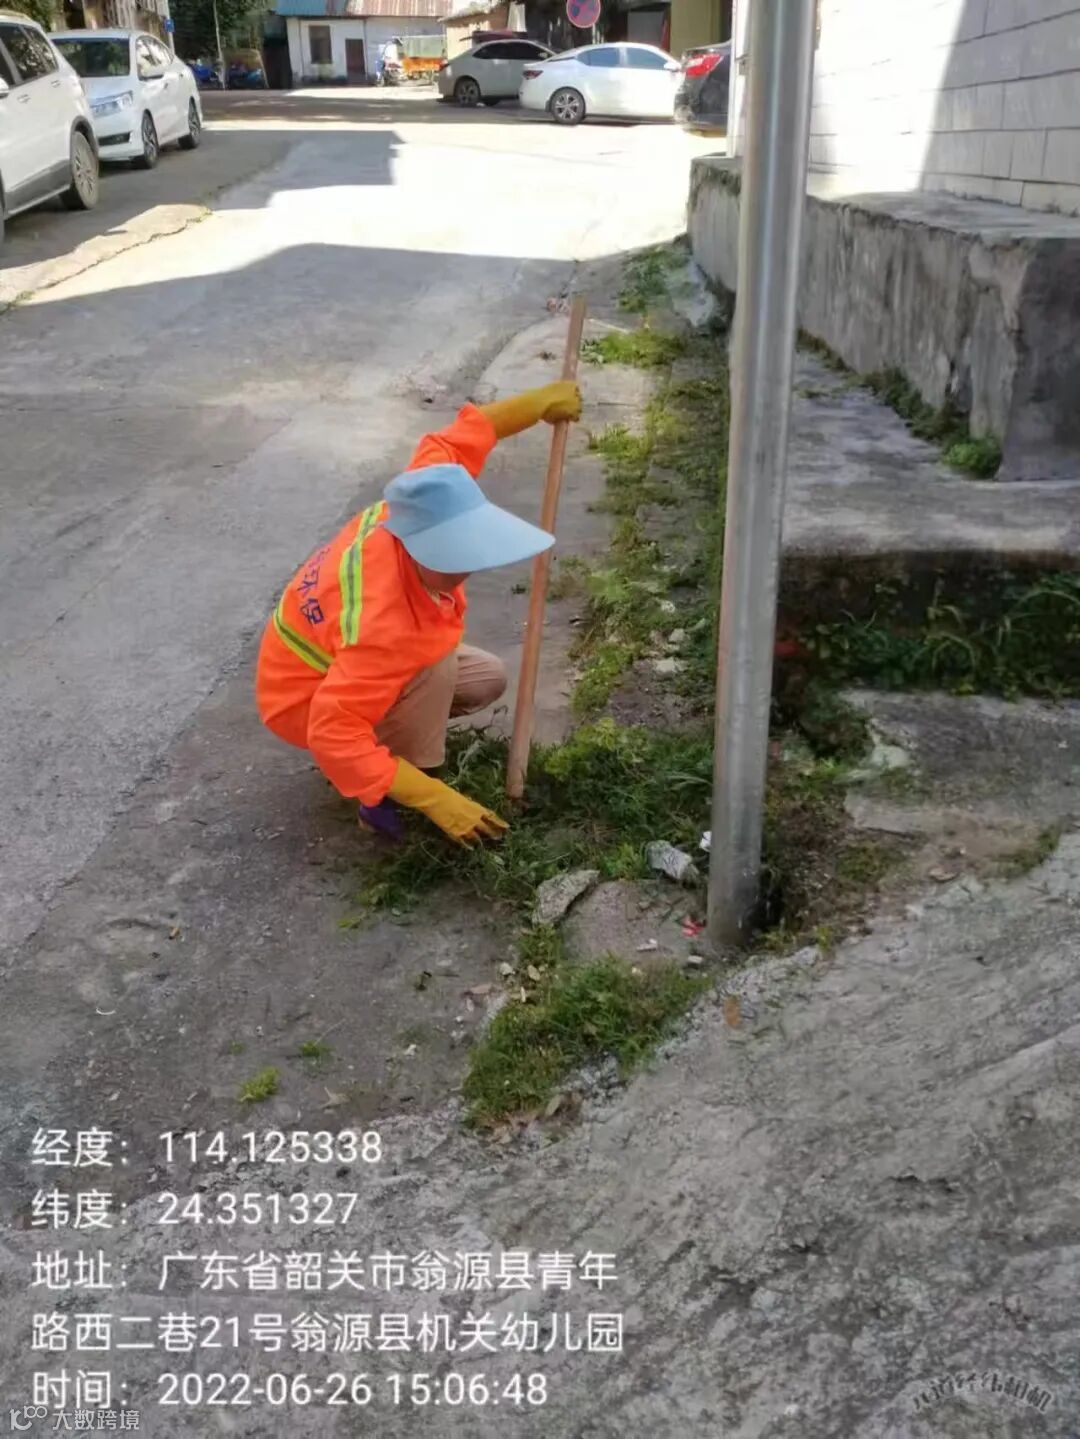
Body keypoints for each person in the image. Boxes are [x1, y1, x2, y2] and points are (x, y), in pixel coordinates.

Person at [255, 381, 582, 846]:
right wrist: (433, 798)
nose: (468, 566)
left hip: (331, 665)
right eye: (453, 557)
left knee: (484, 677)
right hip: (303, 700)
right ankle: (388, 790)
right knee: (431, 661)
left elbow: (453, 441)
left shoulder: (418, 500)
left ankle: (390, 749)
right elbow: (332, 733)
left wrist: (537, 404)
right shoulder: (386, 624)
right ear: (417, 549)